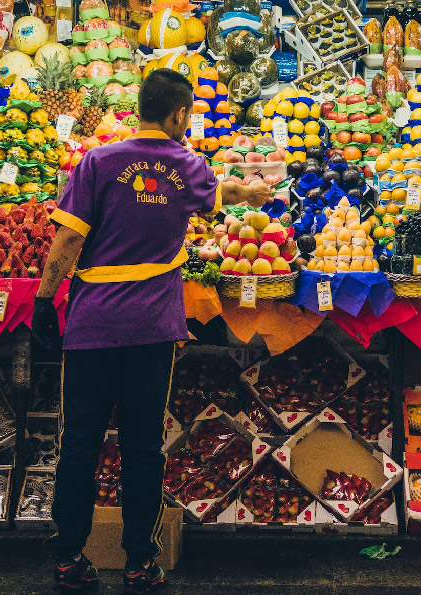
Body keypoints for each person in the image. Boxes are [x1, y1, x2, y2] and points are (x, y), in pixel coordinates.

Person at [31, 68, 273, 593]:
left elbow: (66, 243)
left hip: (92, 326)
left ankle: (68, 560)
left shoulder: (97, 161)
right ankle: (140, 563)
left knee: (79, 445)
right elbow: (223, 195)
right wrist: (255, 193)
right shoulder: (188, 167)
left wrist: (44, 304)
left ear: (140, 108)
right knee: (143, 447)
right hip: (151, 331)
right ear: (180, 114)